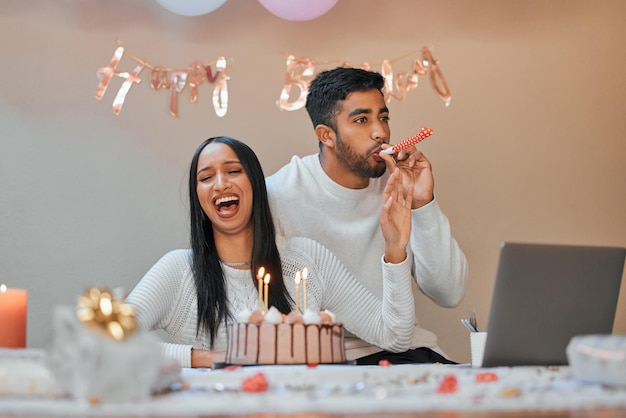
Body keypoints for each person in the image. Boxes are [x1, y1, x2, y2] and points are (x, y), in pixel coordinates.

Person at [126, 136, 416, 368]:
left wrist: (395, 249)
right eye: (205, 177)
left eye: (233, 171)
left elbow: (395, 335)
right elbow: (108, 342)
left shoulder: (306, 260)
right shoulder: (178, 270)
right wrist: (210, 358)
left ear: (256, 184)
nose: (220, 183)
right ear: (198, 196)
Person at [266, 67, 469, 364]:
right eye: (362, 120)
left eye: (383, 118)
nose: (381, 132)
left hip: (407, 351)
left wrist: (423, 203)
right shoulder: (279, 193)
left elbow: (449, 293)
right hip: (326, 360)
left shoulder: (398, 184)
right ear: (326, 135)